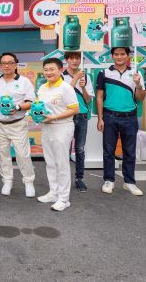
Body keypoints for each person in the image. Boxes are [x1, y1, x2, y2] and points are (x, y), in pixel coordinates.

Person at [96, 47, 146, 196]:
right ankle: (109, 180)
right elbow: (99, 97)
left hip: (130, 117)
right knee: (108, 151)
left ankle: (129, 182)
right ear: (112, 56)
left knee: (129, 152)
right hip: (109, 116)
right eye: (116, 54)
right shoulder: (103, 73)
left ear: (128, 55)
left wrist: (138, 84)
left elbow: (141, 97)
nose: (119, 57)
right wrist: (100, 118)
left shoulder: (136, 73)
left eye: (122, 54)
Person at [36, 58, 79, 211]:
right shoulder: (42, 88)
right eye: (46, 69)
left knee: (62, 164)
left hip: (62, 127)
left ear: (61, 70)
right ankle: (53, 193)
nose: (48, 72)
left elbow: (74, 109)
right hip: (46, 128)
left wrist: (53, 117)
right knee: (50, 162)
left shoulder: (66, 87)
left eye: (52, 69)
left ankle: (64, 198)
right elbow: (39, 107)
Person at [0, 52, 36, 197]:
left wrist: (17, 107)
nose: (7, 66)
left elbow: (30, 102)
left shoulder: (24, 81)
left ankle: (28, 182)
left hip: (17, 123)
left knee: (22, 154)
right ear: (0, 66)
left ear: (15, 65)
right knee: (3, 154)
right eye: (4, 63)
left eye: (10, 63)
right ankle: (7, 181)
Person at [61, 51, 93, 191]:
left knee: (80, 149)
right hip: (66, 116)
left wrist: (84, 86)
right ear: (66, 60)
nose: (75, 61)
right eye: (72, 58)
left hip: (82, 115)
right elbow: (63, 96)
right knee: (64, 148)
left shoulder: (86, 76)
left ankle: (79, 178)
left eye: (77, 58)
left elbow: (88, 99)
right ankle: (64, 179)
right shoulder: (61, 76)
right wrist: (75, 80)